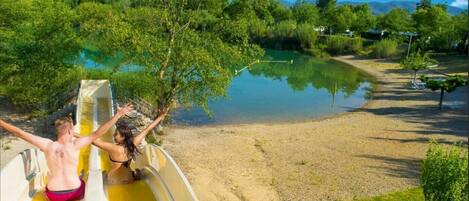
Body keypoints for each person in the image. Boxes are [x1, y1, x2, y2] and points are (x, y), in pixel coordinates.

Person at [0, 104, 133, 201]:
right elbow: (99, 132)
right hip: (75, 191)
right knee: (83, 180)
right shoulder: (75, 145)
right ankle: (79, 179)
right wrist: (118, 114)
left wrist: (1, 122)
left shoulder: (47, 145)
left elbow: (20, 133)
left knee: (50, 188)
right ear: (70, 131)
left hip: (54, 194)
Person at [90, 109, 168, 185]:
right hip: (129, 179)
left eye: (116, 134)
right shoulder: (133, 144)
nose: (113, 136)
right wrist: (160, 117)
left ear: (123, 137)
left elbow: (91, 139)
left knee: (103, 173)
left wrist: (77, 135)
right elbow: (148, 129)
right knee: (138, 171)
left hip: (114, 181)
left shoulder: (113, 148)